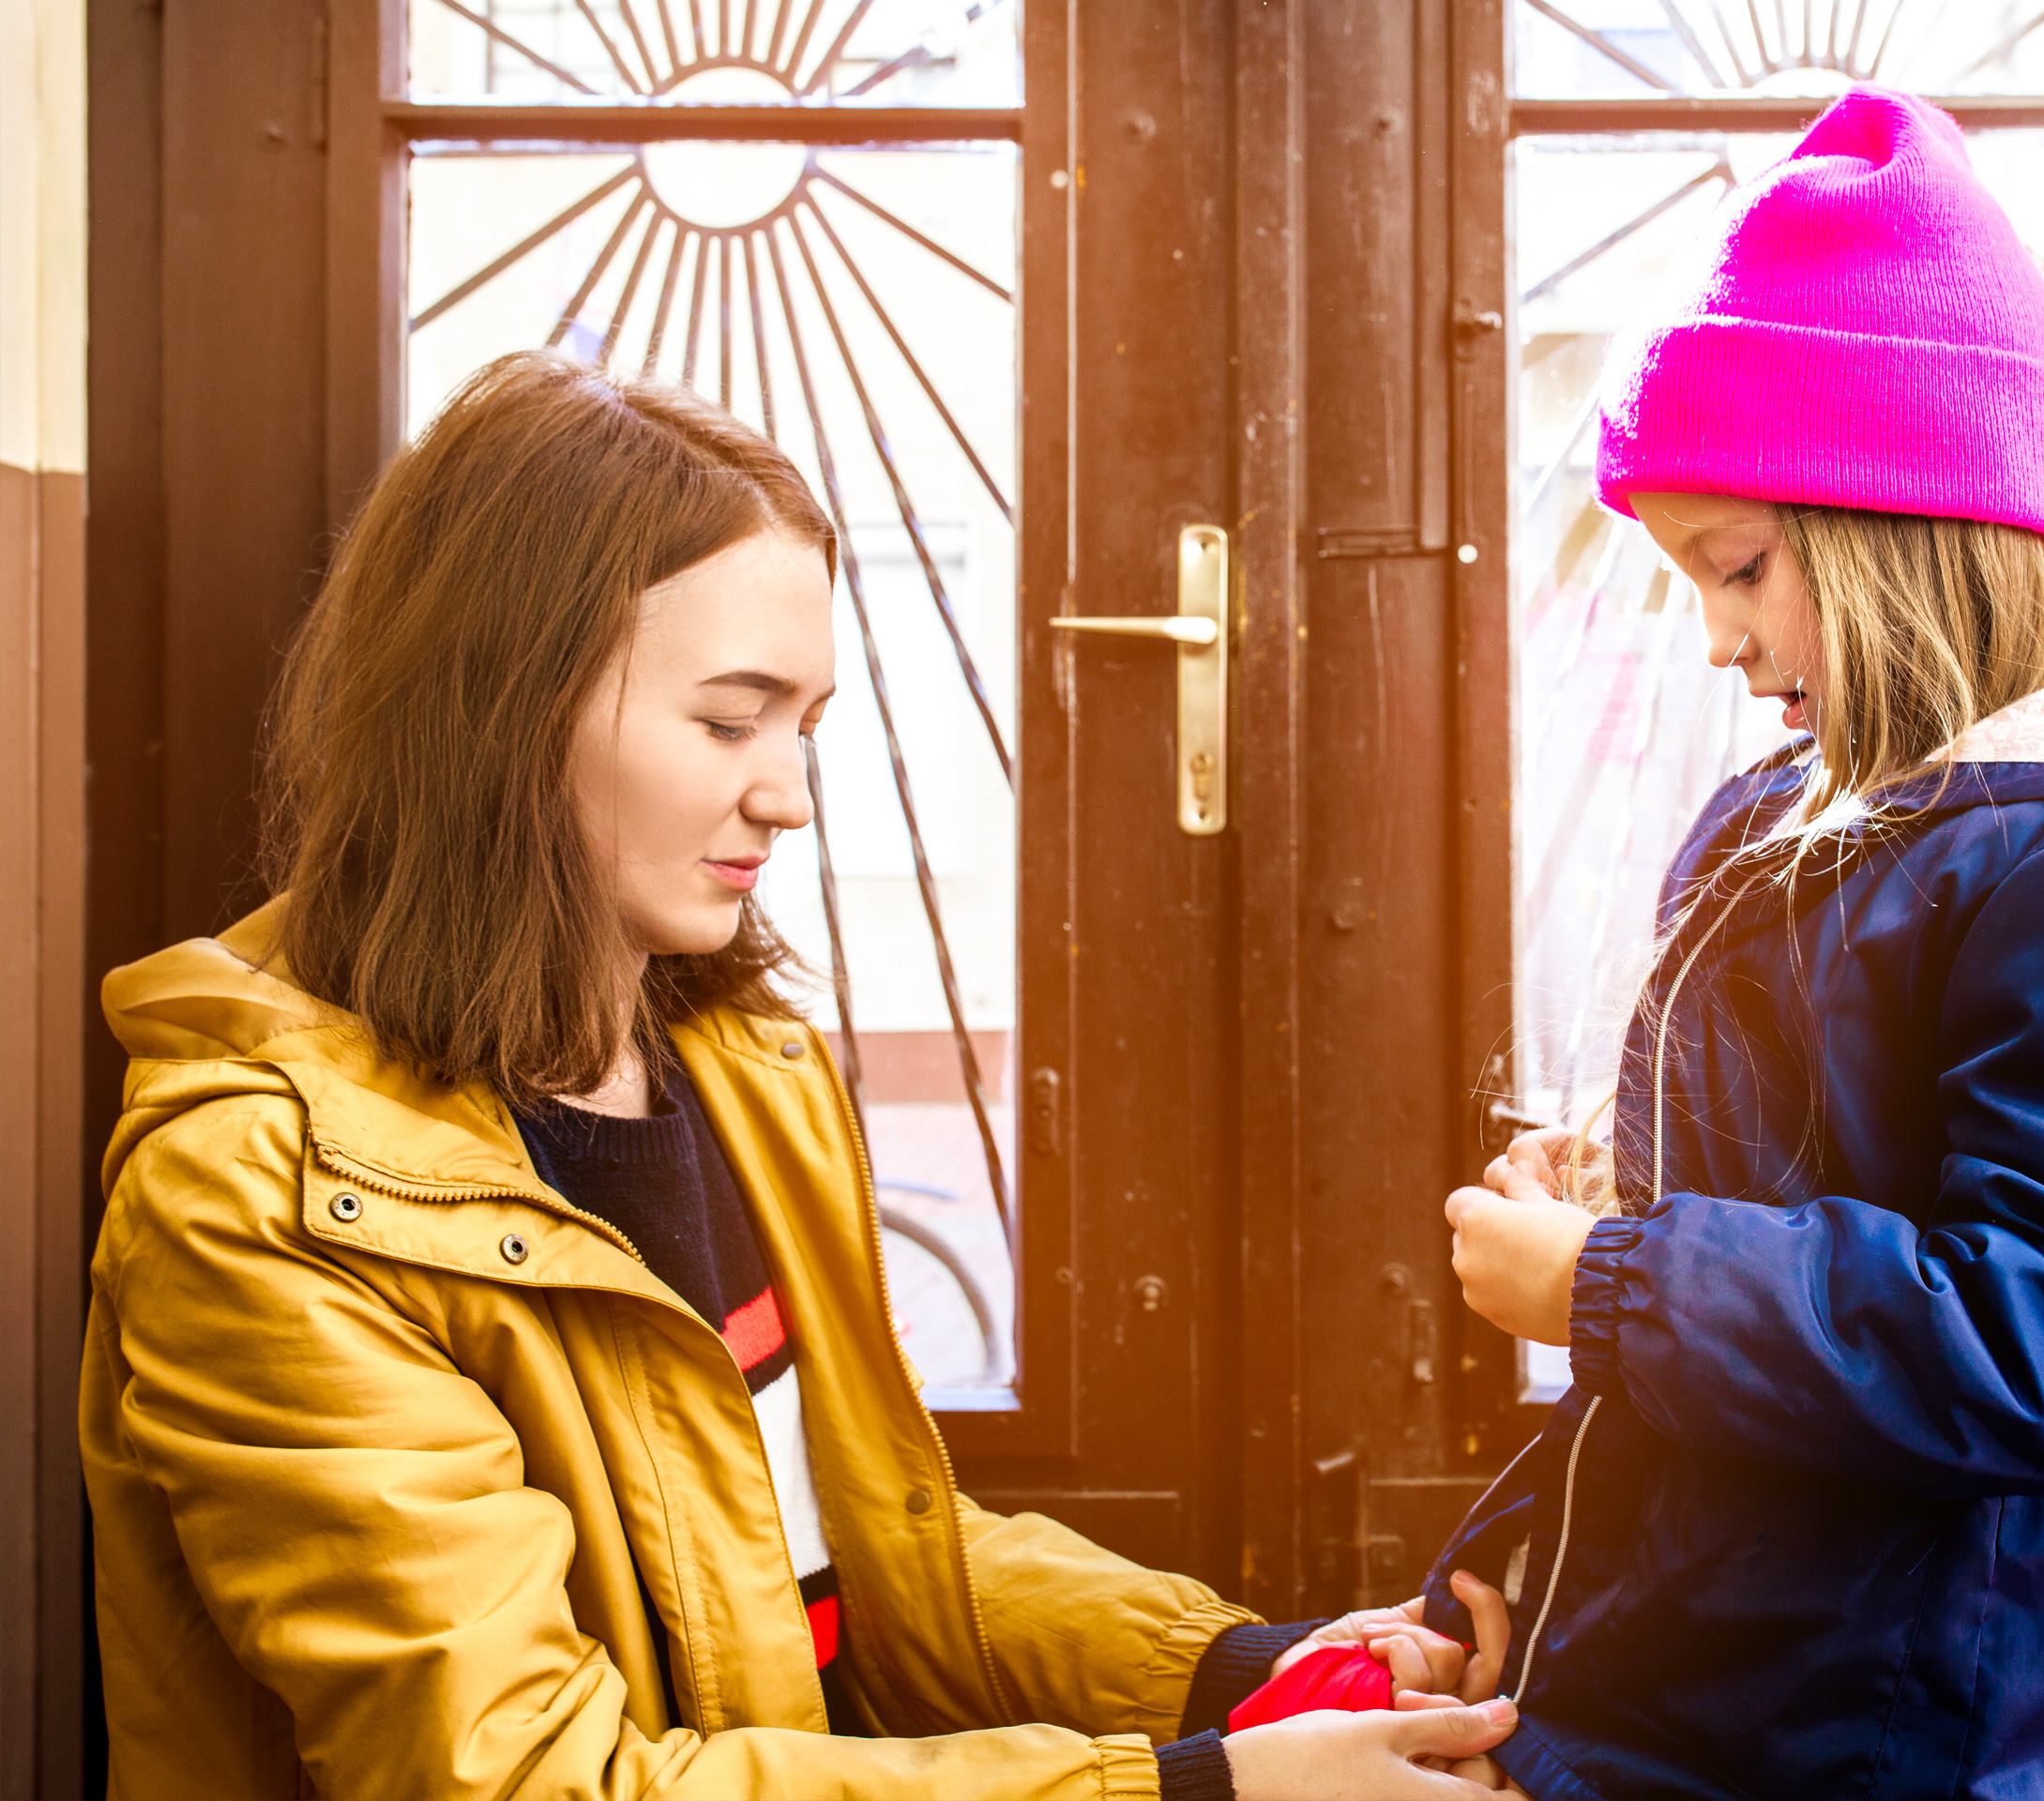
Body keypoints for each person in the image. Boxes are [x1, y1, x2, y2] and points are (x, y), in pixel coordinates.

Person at [78, 350, 1522, 1799]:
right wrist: (1195, 1789)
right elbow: (521, 1777)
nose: (789, 794)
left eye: (806, 727)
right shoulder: (262, 1195)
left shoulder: (738, 1067)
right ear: (501, 711)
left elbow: (885, 1559)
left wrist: (1234, 1675)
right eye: (726, 721)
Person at [1430, 86, 2044, 1799]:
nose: (1716, 639)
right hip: (1706, 1698)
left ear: (1896, 526)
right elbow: (1776, 1287)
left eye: (1741, 568)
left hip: (1896, 1742)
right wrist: (1517, 1573)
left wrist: (1610, 1283)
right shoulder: (1794, 821)